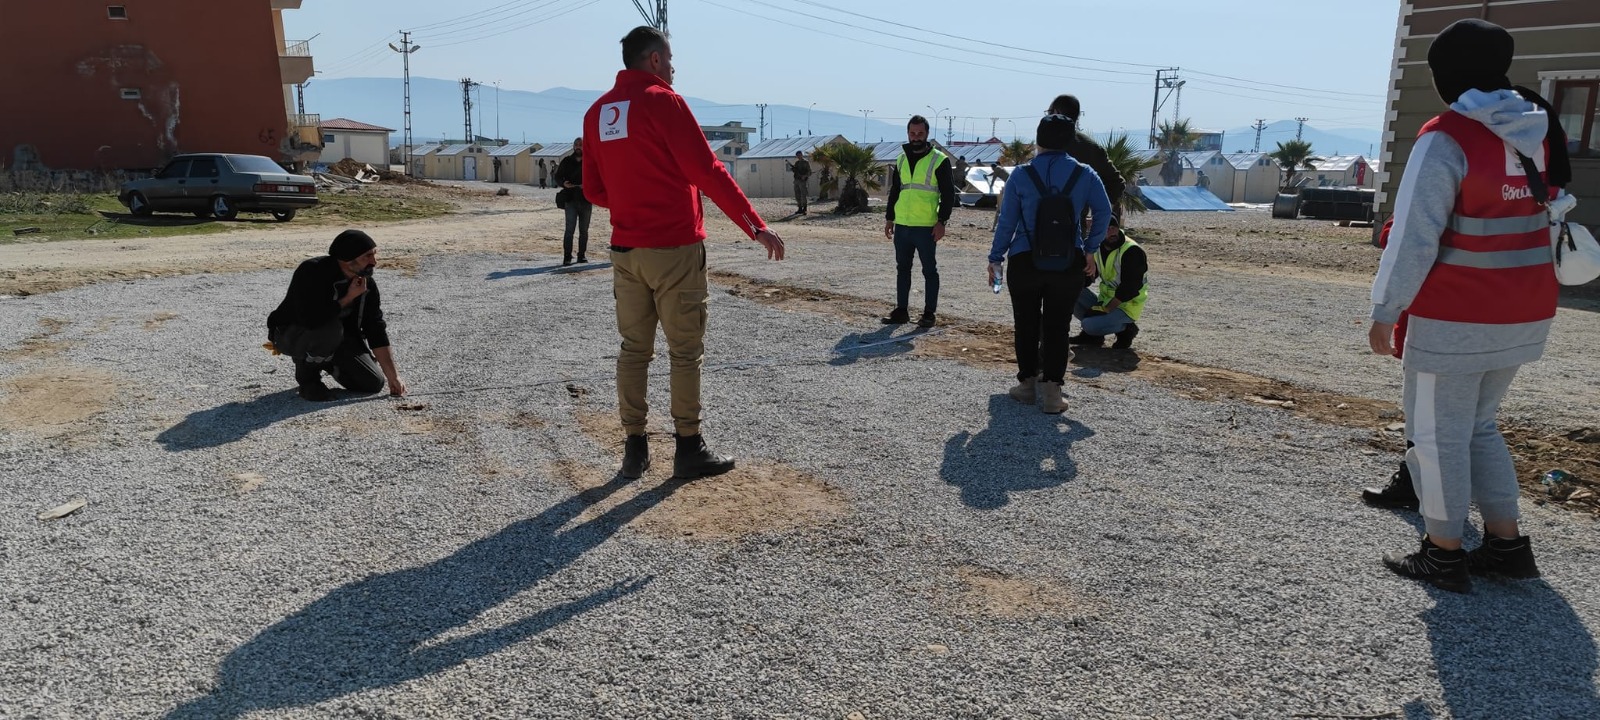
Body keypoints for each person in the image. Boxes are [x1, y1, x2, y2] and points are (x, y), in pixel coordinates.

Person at [1368, 18, 1571, 593]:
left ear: (1445, 75)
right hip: (1525, 306)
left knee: (1435, 435)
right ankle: (1506, 545)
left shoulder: (1448, 135)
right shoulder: (1536, 128)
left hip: (1457, 311)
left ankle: (1444, 551)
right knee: (1479, 425)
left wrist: (1387, 309)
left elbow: (1414, 234)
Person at [583, 26, 786, 481]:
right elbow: (707, 170)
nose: (674, 68)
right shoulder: (663, 101)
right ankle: (688, 447)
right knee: (684, 352)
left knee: (634, 350)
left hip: (625, 249)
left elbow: (594, 189)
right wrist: (755, 225)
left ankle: (635, 450)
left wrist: (632, 199)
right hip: (674, 247)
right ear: (654, 59)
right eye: (670, 59)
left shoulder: (598, 113)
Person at [988, 114, 1111, 414]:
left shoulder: (1021, 174)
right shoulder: (1085, 174)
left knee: (1026, 324)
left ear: (1039, 139)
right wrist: (1091, 249)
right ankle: (1053, 393)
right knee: (1058, 326)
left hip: (1025, 259)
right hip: (1068, 261)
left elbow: (1007, 222)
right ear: (1070, 141)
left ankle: (1027, 385)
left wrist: (995, 258)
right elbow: (1104, 213)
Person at [266, 229, 407, 402]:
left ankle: (327, 361)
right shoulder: (312, 271)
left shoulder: (366, 283)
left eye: (374, 254)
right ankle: (308, 379)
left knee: (372, 383)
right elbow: (310, 320)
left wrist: (394, 376)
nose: (374, 262)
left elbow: (375, 327)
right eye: (367, 256)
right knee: (330, 328)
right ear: (347, 259)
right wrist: (348, 298)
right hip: (293, 334)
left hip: (338, 340)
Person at [883, 115, 958, 328]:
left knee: (929, 270)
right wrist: (890, 218)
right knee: (902, 268)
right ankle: (901, 310)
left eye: (920, 134)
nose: (916, 137)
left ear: (927, 134)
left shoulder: (939, 160)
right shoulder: (901, 159)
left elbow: (948, 194)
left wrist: (942, 221)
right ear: (908, 133)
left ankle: (929, 313)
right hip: (903, 225)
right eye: (912, 133)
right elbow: (895, 191)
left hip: (926, 227)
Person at [1070, 212, 1148, 349]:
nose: (1111, 232)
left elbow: (1130, 288)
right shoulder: (1095, 247)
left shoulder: (1131, 251)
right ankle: (1093, 337)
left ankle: (1126, 329)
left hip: (1127, 305)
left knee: (1089, 325)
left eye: (1113, 227)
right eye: (1106, 228)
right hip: (1106, 300)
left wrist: (1106, 309)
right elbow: (1087, 277)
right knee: (1071, 289)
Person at [1047, 94, 1127, 213]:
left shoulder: (1045, 142)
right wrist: (1100, 211)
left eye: (1049, 112)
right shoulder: (1091, 147)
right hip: (1076, 225)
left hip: (1037, 226)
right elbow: (1116, 182)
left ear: (1056, 112)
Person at [553, 139, 591, 265]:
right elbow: (557, 177)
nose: (578, 147)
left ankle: (581, 256)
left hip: (586, 200)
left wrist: (588, 185)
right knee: (569, 230)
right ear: (573, 147)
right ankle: (567, 256)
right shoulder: (567, 161)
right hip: (570, 200)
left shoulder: (590, 162)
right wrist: (563, 183)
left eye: (580, 145)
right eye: (576, 145)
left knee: (584, 231)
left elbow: (597, 177)